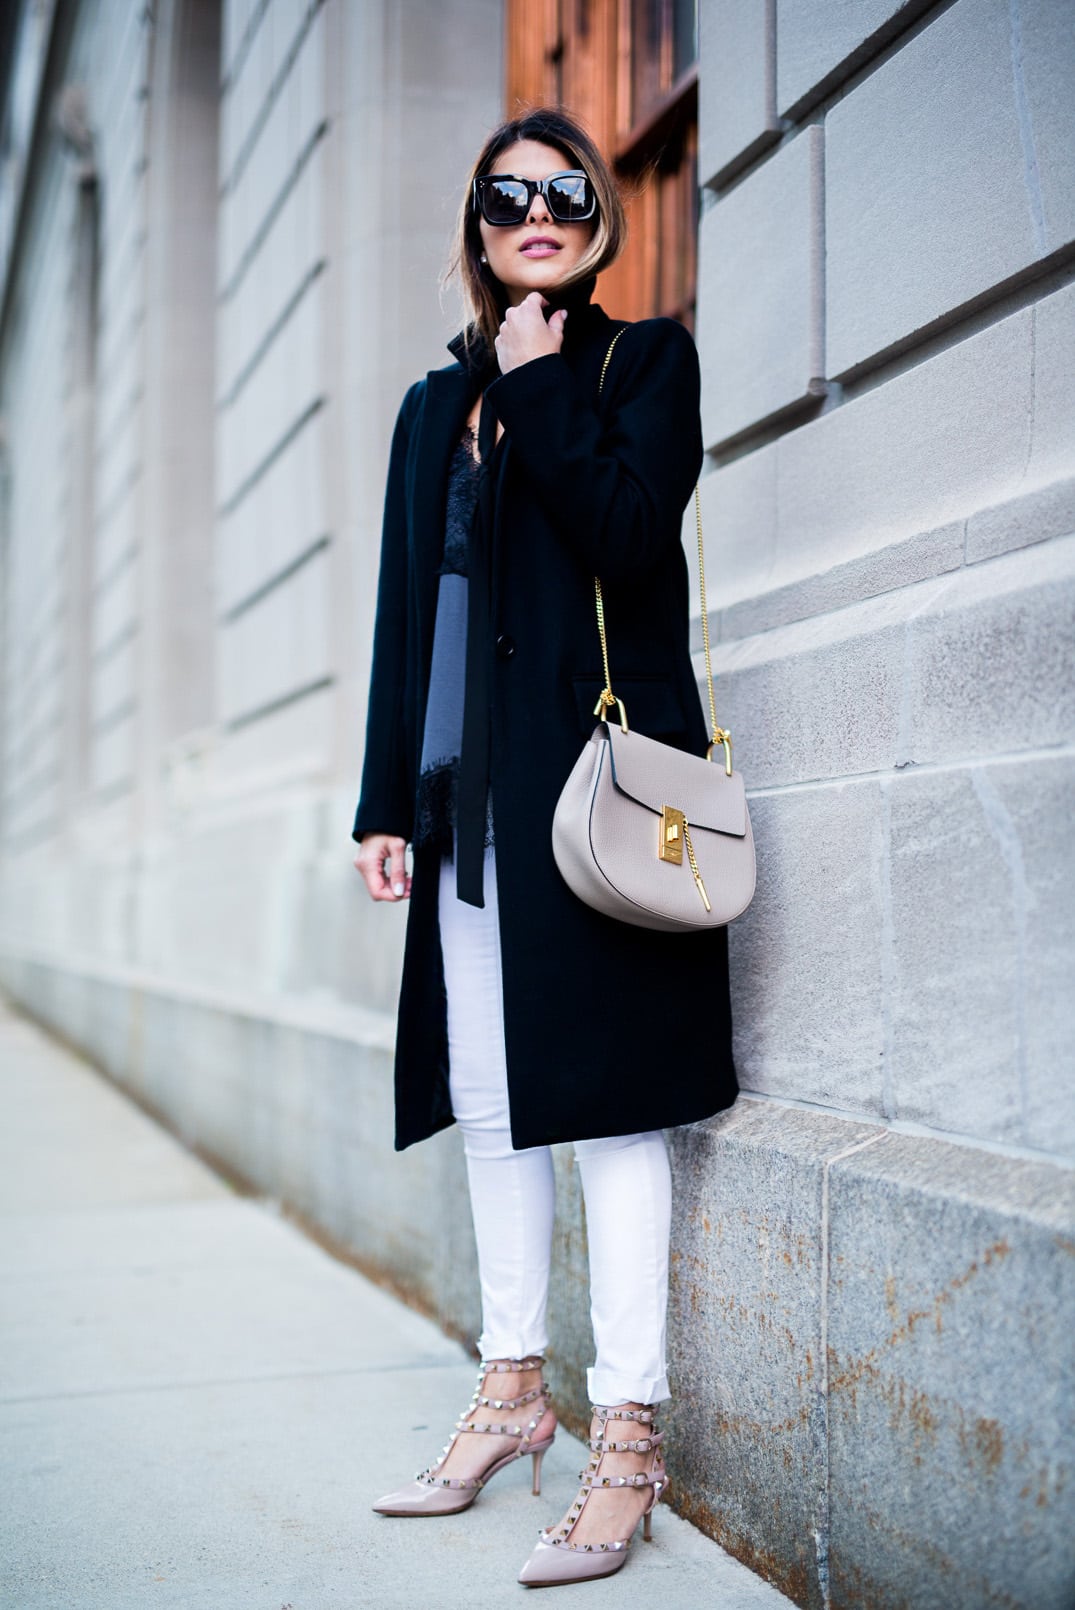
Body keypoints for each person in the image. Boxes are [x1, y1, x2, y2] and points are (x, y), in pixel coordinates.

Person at [351, 107, 737, 1588]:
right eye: (507, 194)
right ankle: (515, 1394)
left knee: (613, 1111)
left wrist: (547, 382)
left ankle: (626, 1438)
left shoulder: (645, 363)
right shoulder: (423, 407)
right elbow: (405, 614)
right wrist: (388, 798)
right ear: (476, 219)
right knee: (495, 1101)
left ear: (597, 216)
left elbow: (633, 538)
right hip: (467, 803)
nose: (536, 212)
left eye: (563, 192)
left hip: (595, 809)